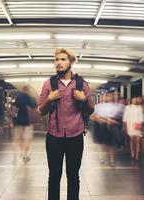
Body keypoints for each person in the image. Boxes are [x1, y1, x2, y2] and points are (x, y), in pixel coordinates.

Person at [39, 48, 94, 200]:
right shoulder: (49, 84)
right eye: (56, 59)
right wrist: (49, 99)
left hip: (75, 136)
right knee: (54, 176)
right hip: (53, 136)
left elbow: (90, 110)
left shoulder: (82, 84)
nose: (58, 63)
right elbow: (41, 111)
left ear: (71, 62)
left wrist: (84, 99)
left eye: (63, 59)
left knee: (73, 176)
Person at [13, 85, 38, 162]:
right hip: (28, 122)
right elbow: (35, 109)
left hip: (18, 121)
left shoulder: (18, 98)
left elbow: (14, 108)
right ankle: (25, 155)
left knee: (17, 139)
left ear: (22, 90)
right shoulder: (30, 98)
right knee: (27, 139)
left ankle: (15, 156)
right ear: (28, 90)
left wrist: (12, 120)